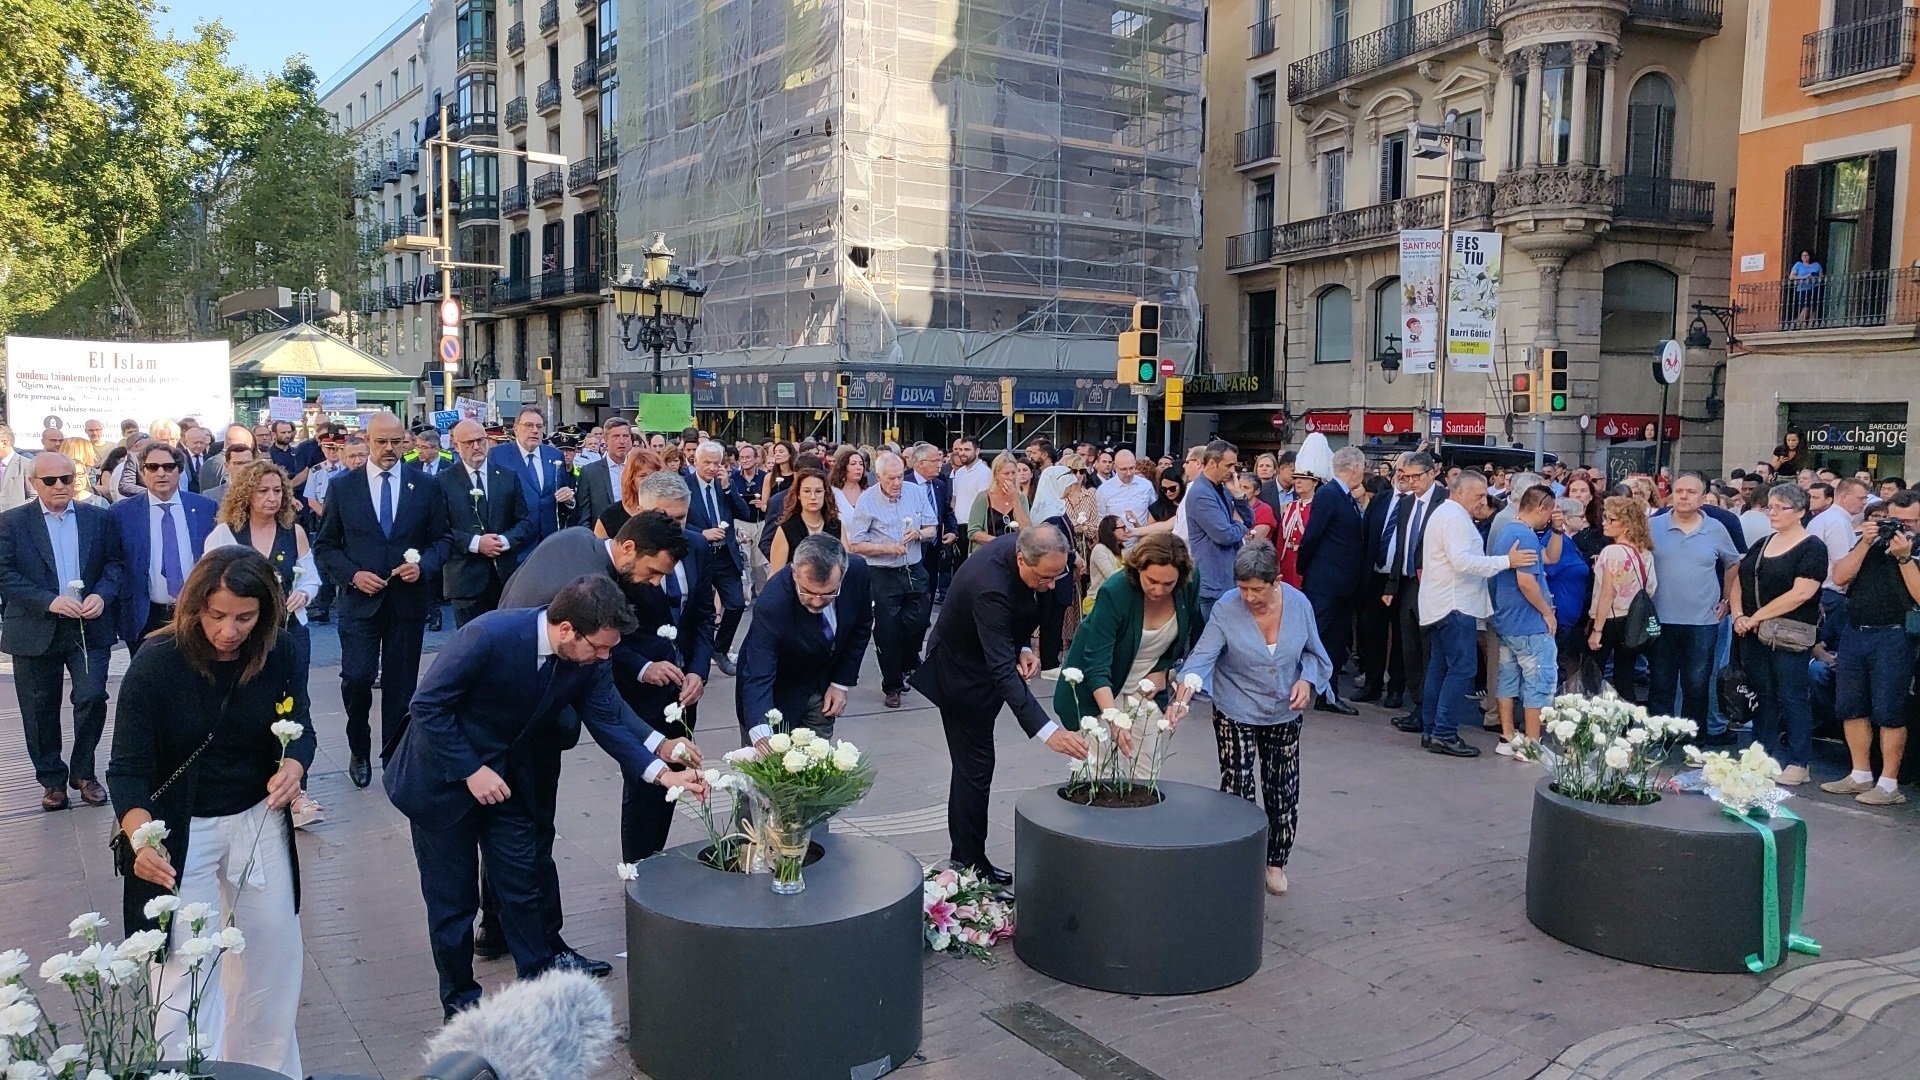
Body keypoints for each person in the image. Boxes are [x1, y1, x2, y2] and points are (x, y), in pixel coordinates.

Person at [386, 575, 704, 1020]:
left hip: (508, 781)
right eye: (600, 647)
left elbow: (607, 716)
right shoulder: (488, 635)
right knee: (453, 904)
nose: (606, 657)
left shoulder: (588, 659)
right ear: (567, 629)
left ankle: (538, 988)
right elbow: (427, 706)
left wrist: (661, 773)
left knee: (523, 881)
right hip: (440, 781)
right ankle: (460, 1005)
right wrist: (470, 770)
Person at [108, 546, 314, 1076]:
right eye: (216, 615)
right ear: (194, 606)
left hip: (257, 815)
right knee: (184, 968)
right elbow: (126, 770)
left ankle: (266, 1071)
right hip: (180, 825)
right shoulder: (157, 664)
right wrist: (140, 837)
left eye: (245, 617)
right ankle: (187, 1070)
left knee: (273, 956)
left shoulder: (281, 652)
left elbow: (302, 728)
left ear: (265, 612)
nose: (229, 630)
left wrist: (294, 768)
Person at [913, 526, 1089, 885]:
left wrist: (1024, 646)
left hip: (988, 658)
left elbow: (1026, 608)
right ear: (1021, 559)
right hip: (960, 674)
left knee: (977, 768)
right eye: (1045, 577)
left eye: (1059, 575)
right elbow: (1000, 670)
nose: (1052, 585)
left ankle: (970, 857)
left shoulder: (1039, 556)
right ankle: (967, 861)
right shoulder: (989, 587)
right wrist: (1047, 731)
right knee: (973, 769)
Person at [1176, 542, 1331, 897]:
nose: (1248, 597)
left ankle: (1275, 862)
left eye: (1256, 589)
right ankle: (1238, 859)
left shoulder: (1299, 604)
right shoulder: (1226, 609)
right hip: (1236, 707)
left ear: (1276, 581)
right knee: (1238, 786)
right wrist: (1182, 699)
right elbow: (1201, 658)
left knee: (1283, 787)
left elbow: (1315, 653)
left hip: (1283, 710)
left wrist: (1306, 680)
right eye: (1242, 588)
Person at [313, 411, 453, 788]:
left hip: (407, 603)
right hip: (360, 603)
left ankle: (394, 754)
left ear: (405, 441)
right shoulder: (344, 487)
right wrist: (353, 575)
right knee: (356, 678)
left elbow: (442, 540)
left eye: (396, 442)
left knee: (401, 685)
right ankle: (358, 745)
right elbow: (325, 546)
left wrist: (423, 565)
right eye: (381, 442)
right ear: (367, 441)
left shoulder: (425, 486)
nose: (389, 449)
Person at [0, 453, 124, 811]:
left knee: (91, 697)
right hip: (35, 629)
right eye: (50, 480)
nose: (60, 486)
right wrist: (48, 601)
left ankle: (84, 773)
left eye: (66, 479)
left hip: (88, 627)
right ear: (33, 483)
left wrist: (103, 594)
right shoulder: (11, 523)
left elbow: (115, 564)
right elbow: (5, 574)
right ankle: (52, 780)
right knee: (39, 710)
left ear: (77, 480)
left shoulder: (98, 519)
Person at [1053, 533, 1200, 777]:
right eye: (1151, 580)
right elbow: (1096, 664)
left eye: (1168, 584)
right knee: (1100, 772)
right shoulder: (1115, 591)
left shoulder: (1189, 584)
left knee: (1147, 769)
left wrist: (1163, 670)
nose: (1159, 589)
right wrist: (1113, 720)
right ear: (1137, 568)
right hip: (1101, 688)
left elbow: (1184, 637)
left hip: (1146, 690)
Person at [1418, 471, 1539, 757]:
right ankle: (1444, 732)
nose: (1483, 500)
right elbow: (1462, 562)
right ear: (1460, 492)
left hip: (1444, 603)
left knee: (1440, 667)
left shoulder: (1447, 514)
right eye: (1479, 495)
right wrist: (1506, 561)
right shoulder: (1455, 518)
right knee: (1461, 669)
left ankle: (1432, 728)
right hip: (1455, 604)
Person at [1818, 489, 1920, 805]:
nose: (1903, 527)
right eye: (1896, 520)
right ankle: (1860, 774)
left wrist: (1904, 556)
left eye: (1911, 522)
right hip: (1855, 631)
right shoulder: (1871, 541)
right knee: (1850, 705)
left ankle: (1889, 784)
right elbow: (1840, 577)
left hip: (1895, 635)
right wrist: (1865, 542)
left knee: (1889, 709)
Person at [736, 534, 874, 747]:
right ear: (794, 572)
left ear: (843, 576)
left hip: (822, 688)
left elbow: (861, 627)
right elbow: (758, 675)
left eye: (828, 593)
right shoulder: (772, 604)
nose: (817, 601)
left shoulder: (858, 573)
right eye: (808, 592)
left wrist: (840, 683)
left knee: (819, 769)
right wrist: (761, 733)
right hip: (778, 693)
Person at [1731, 483, 1826, 786]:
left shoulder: (1812, 547)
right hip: (1753, 632)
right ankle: (1762, 754)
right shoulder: (1763, 542)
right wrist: (1738, 615)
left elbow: (1802, 593)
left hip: (1789, 633)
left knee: (1792, 695)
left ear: (1800, 511)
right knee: (1763, 694)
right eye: (1770, 506)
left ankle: (1799, 761)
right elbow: (1741, 579)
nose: (1772, 512)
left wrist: (1756, 616)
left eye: (1780, 507)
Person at [1647, 473, 1740, 744]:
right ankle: (1659, 736)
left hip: (1703, 621)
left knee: (1697, 684)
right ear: (1670, 495)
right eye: (1679, 491)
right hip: (1660, 618)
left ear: (1702, 498)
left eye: (1691, 492)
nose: (1684, 496)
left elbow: (1733, 563)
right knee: (1660, 682)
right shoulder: (1653, 525)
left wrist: (1726, 600)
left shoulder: (1716, 528)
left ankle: (1693, 740)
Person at [109, 441, 219, 655]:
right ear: (142, 472)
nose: (161, 473)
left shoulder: (206, 508)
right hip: (144, 614)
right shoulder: (121, 513)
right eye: (152, 467)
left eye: (168, 467)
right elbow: (114, 562)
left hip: (195, 611)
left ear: (179, 471)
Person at [846, 451, 936, 709]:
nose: (896, 483)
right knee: (888, 629)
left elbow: (932, 527)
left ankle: (909, 659)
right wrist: (886, 548)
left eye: (899, 477)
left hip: (913, 566)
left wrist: (919, 533)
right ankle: (892, 684)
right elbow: (856, 543)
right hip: (882, 572)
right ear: (879, 477)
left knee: (918, 621)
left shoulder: (915, 492)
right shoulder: (867, 500)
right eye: (890, 479)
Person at [440, 419, 536, 627]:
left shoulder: (507, 477)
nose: (476, 447)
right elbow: (438, 529)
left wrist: (504, 540)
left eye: (481, 440)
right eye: (469, 442)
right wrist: (476, 543)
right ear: (456, 445)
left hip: (504, 578)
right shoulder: (442, 481)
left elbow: (524, 520)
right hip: (465, 580)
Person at [1298, 445, 1369, 714]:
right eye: (1362, 467)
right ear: (1354, 468)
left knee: (1335, 642)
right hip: (1325, 582)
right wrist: (1308, 569)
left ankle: (1328, 694)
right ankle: (1288, 686)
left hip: (1341, 584)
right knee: (1312, 636)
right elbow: (1312, 535)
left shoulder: (1345, 496)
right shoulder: (1329, 494)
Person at [1489, 487, 1560, 757]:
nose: (1549, 518)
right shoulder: (1525, 536)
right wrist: (1547, 611)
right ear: (1541, 507)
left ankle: (1507, 737)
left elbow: (1549, 558)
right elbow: (1527, 582)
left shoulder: (1509, 530)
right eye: (1550, 511)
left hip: (1507, 620)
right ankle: (1532, 743)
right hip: (1528, 622)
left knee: (1508, 676)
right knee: (1538, 680)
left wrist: (1558, 531)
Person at [687, 441, 752, 674]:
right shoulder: (685, 485)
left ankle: (720, 648)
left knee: (736, 604)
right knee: (699, 609)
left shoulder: (724, 485)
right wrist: (701, 534)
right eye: (707, 463)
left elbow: (744, 513)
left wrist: (727, 488)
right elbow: (678, 522)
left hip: (725, 554)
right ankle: (696, 655)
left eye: (717, 463)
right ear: (695, 461)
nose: (712, 468)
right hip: (700, 554)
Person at [1585, 496, 1658, 703]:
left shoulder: (1611, 551)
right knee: (1624, 674)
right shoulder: (1645, 553)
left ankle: (1592, 721)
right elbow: (1650, 588)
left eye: (1611, 520)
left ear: (1626, 526)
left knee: (1593, 674)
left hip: (1608, 618)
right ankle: (1627, 724)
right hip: (1633, 619)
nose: (1605, 523)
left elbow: (1607, 593)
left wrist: (1596, 630)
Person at [1184, 440, 1265, 623]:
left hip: (1227, 579)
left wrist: (1238, 495)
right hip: (1213, 583)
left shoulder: (1223, 488)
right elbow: (1224, 535)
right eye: (1228, 465)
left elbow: (1250, 520)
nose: (1233, 471)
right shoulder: (1201, 493)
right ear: (1212, 463)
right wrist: (1241, 526)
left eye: (1234, 465)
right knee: (1213, 642)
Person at [490, 408, 577, 543]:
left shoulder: (554, 455)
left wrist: (569, 500)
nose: (535, 430)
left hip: (548, 541)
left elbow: (562, 491)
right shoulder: (497, 456)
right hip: (514, 541)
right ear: (516, 429)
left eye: (539, 426)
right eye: (529, 425)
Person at [767, 467, 841, 575]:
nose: (813, 497)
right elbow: (776, 575)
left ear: (825, 494)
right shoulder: (787, 529)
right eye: (806, 491)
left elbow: (847, 566)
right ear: (798, 495)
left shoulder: (836, 526)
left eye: (818, 491)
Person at [592, 448, 666, 539]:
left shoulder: (669, 511)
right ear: (631, 479)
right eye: (643, 476)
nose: (649, 480)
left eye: (654, 475)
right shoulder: (610, 517)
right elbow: (598, 550)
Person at [576, 417, 634, 527]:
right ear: (605, 440)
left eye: (625, 436)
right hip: (602, 537)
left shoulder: (638, 469)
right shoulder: (590, 472)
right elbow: (584, 516)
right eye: (616, 437)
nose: (622, 441)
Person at [968, 451, 1031, 548]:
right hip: (989, 552)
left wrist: (1015, 500)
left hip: (1014, 552)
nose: (1011, 477)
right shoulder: (983, 497)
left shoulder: (1021, 498)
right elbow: (973, 532)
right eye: (1006, 474)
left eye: (1014, 473)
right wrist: (1000, 542)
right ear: (996, 475)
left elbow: (1027, 530)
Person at [1095, 449, 1154, 544]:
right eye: (1124, 469)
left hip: (1142, 544)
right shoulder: (1104, 490)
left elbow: (1154, 514)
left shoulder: (1146, 486)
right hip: (1116, 547)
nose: (1129, 473)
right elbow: (1101, 520)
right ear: (1115, 467)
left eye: (1131, 468)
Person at [946, 436, 991, 559]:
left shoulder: (984, 473)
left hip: (974, 528)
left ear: (977, 451)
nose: (962, 453)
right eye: (960, 450)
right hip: (959, 527)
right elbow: (954, 500)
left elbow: (985, 503)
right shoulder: (959, 473)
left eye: (967, 449)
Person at [830, 446, 869, 518]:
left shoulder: (869, 493)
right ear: (843, 467)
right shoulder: (833, 493)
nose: (858, 467)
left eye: (861, 464)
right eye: (853, 464)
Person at [1090, 515, 1125, 595]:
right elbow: (1112, 576)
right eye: (1123, 528)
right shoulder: (1099, 549)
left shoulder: (1123, 550)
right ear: (1111, 531)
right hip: (1100, 599)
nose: (1126, 531)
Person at [1788, 251, 1823, 326]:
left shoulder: (1816, 265)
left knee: (1813, 307)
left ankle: (1812, 323)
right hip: (1802, 289)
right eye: (1803, 255)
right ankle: (1799, 322)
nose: (1804, 257)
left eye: (1806, 255)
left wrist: (1814, 277)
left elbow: (1821, 277)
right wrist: (1803, 278)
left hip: (1814, 288)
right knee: (1806, 306)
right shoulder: (1798, 265)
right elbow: (1791, 276)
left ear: (1810, 256)